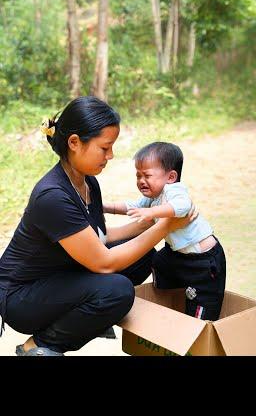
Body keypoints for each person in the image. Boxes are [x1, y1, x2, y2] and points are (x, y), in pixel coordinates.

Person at [0, 96, 195, 356]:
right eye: (105, 148)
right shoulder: (53, 196)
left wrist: (155, 219)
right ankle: (40, 345)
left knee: (143, 256)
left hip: (59, 275)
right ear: (74, 143)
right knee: (118, 290)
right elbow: (104, 262)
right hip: (22, 297)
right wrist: (165, 227)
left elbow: (101, 238)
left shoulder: (87, 182)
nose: (111, 155)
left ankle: (87, 317)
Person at [104, 142, 226, 321]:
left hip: (203, 261)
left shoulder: (174, 190)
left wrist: (151, 212)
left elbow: (183, 206)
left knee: (203, 300)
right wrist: (107, 207)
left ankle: (201, 324)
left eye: (147, 175)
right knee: (158, 261)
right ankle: (172, 293)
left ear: (171, 177)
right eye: (138, 175)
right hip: (177, 254)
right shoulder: (153, 196)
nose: (141, 181)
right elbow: (133, 206)